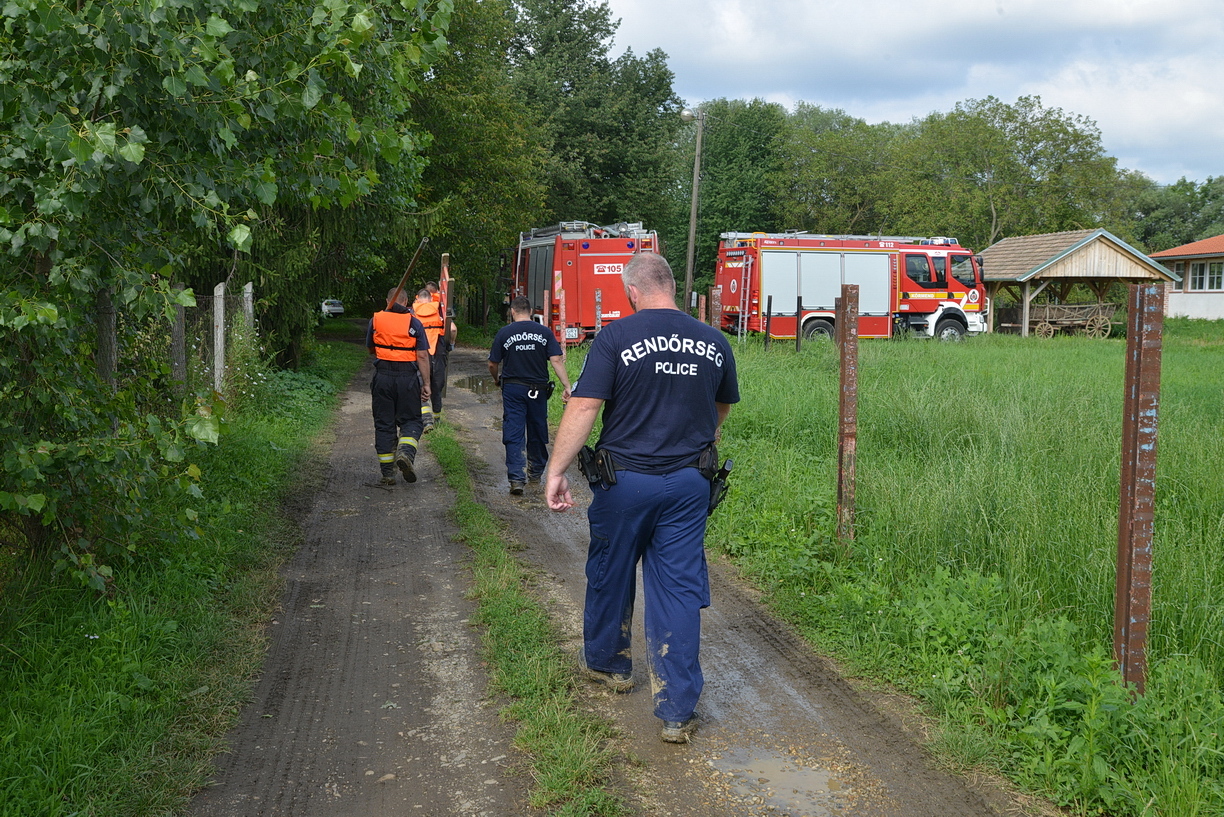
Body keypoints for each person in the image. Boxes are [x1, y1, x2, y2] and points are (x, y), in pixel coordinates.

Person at [545, 253, 739, 744]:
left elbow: (586, 404)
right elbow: (722, 406)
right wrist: (704, 438)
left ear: (631, 291)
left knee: (610, 570)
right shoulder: (714, 341)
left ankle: (611, 667)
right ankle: (676, 712)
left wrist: (557, 470)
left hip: (625, 483)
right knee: (678, 589)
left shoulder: (615, 337)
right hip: (689, 486)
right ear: (672, 287)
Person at [488, 296, 571, 495]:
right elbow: (556, 360)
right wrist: (567, 386)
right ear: (531, 311)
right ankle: (535, 472)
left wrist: (496, 379)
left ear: (513, 311)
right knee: (537, 428)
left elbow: (492, 364)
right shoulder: (544, 332)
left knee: (514, 430)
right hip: (538, 390)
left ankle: (517, 478)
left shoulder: (504, 333)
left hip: (513, 389)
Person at [366, 287, 431, 485]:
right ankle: (405, 453)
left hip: (383, 377)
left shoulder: (375, 321)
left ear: (388, 302)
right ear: (406, 302)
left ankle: (387, 473)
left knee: (384, 424)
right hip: (407, 379)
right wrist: (426, 383)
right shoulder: (414, 322)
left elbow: (371, 349)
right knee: (411, 420)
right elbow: (422, 355)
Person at [412, 289, 456, 432]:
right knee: (437, 386)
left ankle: (426, 420)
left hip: (420, 351)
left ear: (418, 299)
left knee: (421, 384)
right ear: (431, 299)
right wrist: (451, 345)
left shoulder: (413, 312)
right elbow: (453, 329)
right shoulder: (439, 310)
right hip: (438, 348)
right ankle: (437, 418)